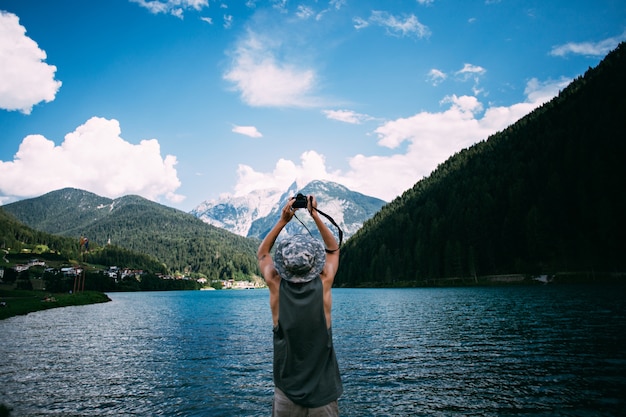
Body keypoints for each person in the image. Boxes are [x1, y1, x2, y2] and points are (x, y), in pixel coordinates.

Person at [257, 195, 343, 417]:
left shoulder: (276, 287)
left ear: (284, 265)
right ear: (313, 262)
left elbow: (262, 254)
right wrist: (314, 215)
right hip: (323, 396)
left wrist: (283, 220)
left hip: (287, 396)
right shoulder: (324, 284)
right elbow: (333, 250)